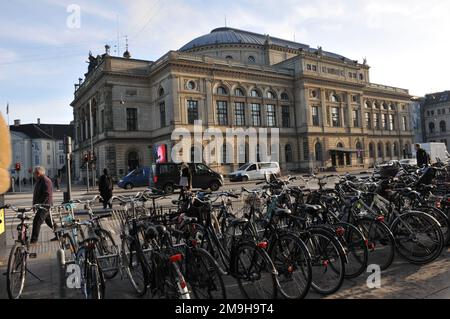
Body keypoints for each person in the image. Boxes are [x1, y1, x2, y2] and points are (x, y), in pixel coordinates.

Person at [30, 166, 55, 244]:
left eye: (34, 173)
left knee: (36, 221)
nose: (33, 175)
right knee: (49, 222)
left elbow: (47, 194)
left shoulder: (46, 180)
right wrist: (34, 204)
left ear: (38, 173)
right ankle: (60, 234)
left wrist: (39, 204)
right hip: (41, 205)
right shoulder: (39, 181)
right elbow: (36, 194)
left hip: (45, 206)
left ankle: (33, 240)